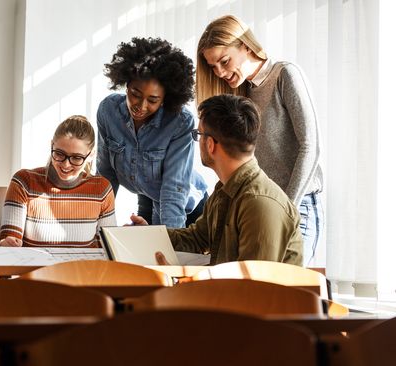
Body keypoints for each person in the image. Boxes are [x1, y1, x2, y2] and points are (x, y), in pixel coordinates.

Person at [195, 15, 323, 265]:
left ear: (245, 45)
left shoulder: (284, 75)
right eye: (213, 67)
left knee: (282, 293)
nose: (220, 72)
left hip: (298, 205)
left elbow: (311, 146)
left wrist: (287, 208)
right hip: (261, 208)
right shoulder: (242, 92)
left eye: (224, 61)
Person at [131, 94, 303, 266]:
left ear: (210, 144)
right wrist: (149, 236)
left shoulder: (260, 204)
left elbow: (253, 288)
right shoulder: (225, 189)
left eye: (198, 134)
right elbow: (197, 239)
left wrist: (180, 281)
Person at [97, 37, 208, 229]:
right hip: (148, 197)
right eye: (135, 94)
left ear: (166, 98)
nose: (141, 106)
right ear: (126, 83)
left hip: (187, 210)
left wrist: (171, 243)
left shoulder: (180, 122)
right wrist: (99, 227)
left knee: (165, 254)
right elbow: (106, 176)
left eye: (153, 100)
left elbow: (173, 191)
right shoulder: (109, 111)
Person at [0, 115, 116, 247]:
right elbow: (7, 242)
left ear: (91, 155)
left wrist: (132, 234)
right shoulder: (24, 182)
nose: (65, 165)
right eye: (59, 153)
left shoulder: (102, 189)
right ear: (51, 145)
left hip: (84, 268)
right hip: (36, 267)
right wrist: (6, 244)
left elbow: (109, 248)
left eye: (76, 158)